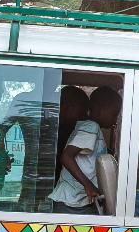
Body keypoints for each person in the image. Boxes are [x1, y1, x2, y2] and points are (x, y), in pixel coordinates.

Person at [49, 85, 119, 214]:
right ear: (100, 110)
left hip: (76, 201)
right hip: (72, 203)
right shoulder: (91, 127)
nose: (115, 120)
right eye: (114, 114)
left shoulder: (92, 129)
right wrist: (88, 185)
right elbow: (66, 157)